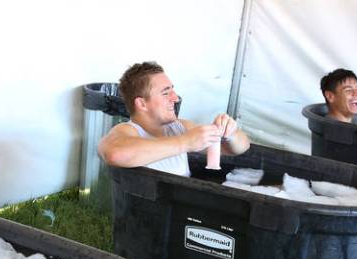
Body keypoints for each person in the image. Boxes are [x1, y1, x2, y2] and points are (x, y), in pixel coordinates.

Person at [98, 61, 250, 176]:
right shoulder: (127, 130)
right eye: (165, 93)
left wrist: (230, 132)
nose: (175, 98)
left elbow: (240, 147)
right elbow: (115, 154)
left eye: (173, 90)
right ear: (142, 104)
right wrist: (185, 142)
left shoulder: (180, 127)